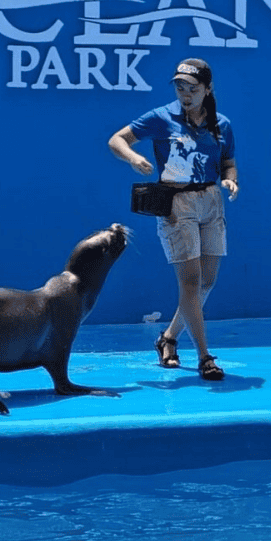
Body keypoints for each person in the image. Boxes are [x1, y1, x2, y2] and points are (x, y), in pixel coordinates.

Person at [108, 58, 238, 381]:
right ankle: (205, 357)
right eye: (180, 87)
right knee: (190, 283)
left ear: (208, 89)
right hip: (177, 204)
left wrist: (231, 179)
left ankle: (168, 338)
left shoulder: (222, 124)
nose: (185, 93)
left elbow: (229, 163)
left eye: (192, 88)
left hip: (211, 202)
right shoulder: (162, 117)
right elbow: (116, 140)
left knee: (207, 281)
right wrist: (134, 157)